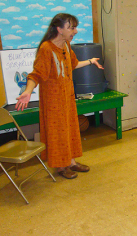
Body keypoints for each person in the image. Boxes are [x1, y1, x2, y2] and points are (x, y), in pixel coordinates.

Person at [15, 13, 104, 179]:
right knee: (58, 133)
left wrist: (91, 61)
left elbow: (74, 64)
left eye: (75, 27)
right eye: (71, 27)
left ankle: (71, 162)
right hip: (53, 101)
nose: (75, 31)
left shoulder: (66, 45)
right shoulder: (46, 49)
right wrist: (27, 91)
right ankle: (61, 167)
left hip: (68, 98)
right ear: (59, 29)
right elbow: (36, 75)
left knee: (70, 129)